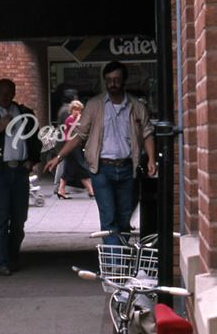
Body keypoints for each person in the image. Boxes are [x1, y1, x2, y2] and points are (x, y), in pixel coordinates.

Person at [45, 61, 156, 245]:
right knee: (109, 218)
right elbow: (79, 135)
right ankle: (115, 267)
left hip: (128, 169)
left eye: (117, 80)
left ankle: (119, 261)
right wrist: (59, 157)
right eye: (109, 80)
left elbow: (147, 133)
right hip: (102, 169)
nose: (113, 84)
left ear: (124, 81)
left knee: (124, 220)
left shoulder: (136, 107)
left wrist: (151, 158)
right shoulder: (95, 105)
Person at [0, 79, 42, 276]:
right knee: (0, 218)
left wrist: (33, 160)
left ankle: (13, 257)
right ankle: (1, 262)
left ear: (14, 93)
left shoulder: (25, 113)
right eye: (1, 93)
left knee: (19, 218)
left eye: (8, 92)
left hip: (21, 171)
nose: (5, 97)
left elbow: (35, 140)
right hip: (0, 172)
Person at [55, 100, 95, 199]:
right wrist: (78, 120)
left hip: (75, 145)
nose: (77, 112)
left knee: (70, 168)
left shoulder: (77, 118)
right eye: (75, 109)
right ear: (71, 110)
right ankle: (91, 191)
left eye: (79, 110)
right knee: (81, 166)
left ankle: (61, 190)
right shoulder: (70, 119)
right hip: (71, 146)